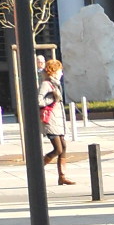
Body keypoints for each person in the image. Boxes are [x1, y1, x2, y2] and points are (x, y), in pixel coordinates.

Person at [38, 56, 73, 186]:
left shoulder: (55, 84)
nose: (61, 73)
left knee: (63, 147)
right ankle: (38, 168)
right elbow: (38, 100)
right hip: (51, 120)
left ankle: (62, 176)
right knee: (58, 149)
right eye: (59, 70)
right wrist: (53, 99)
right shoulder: (46, 84)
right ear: (53, 71)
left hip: (58, 120)